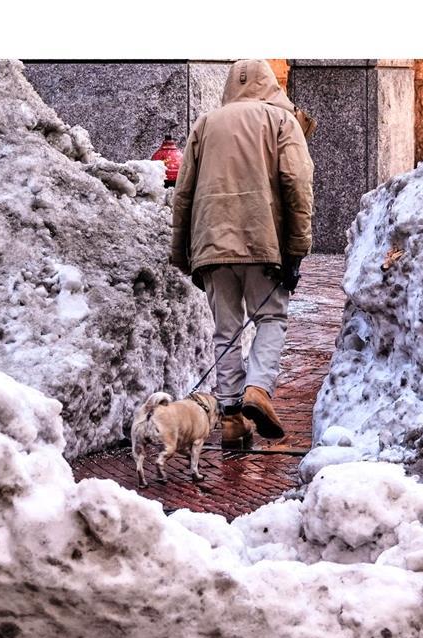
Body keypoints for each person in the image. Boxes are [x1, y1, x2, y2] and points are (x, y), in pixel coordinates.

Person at [170, 59, 315, 449]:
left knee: (227, 331)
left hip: (210, 246)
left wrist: (180, 250)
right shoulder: (282, 122)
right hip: (263, 241)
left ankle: (231, 418)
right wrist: (297, 247)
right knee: (271, 317)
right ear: (271, 85)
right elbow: (297, 185)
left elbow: (182, 193)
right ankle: (258, 390)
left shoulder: (206, 124)